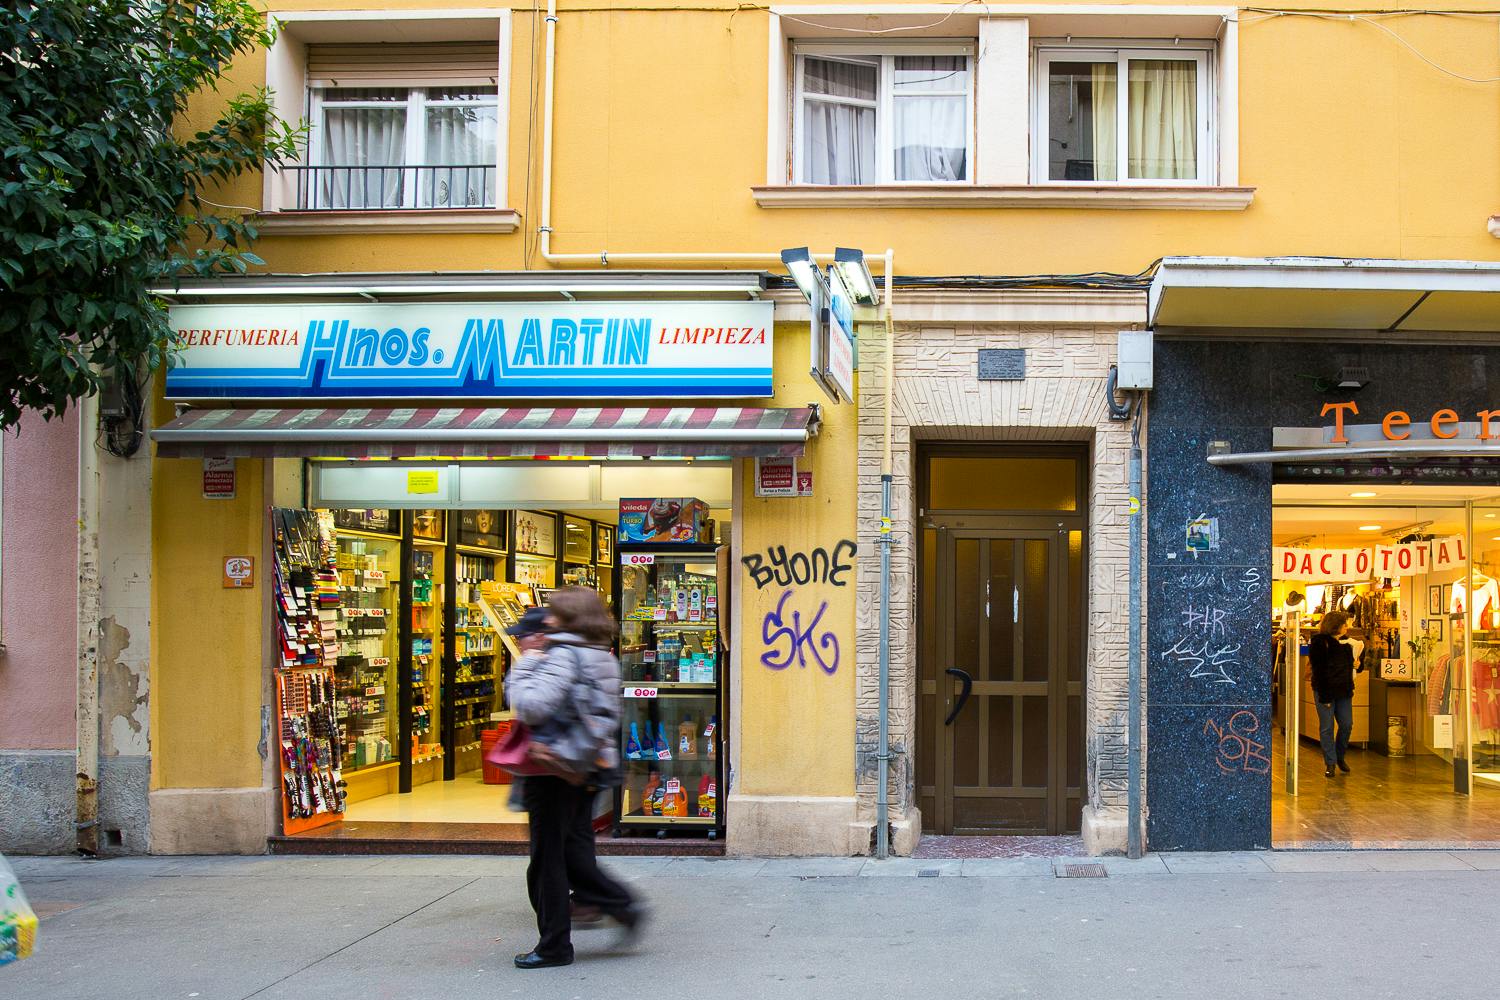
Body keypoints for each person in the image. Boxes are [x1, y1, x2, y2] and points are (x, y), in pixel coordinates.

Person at [505, 586, 642, 969]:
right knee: (573, 848)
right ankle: (619, 905)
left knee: (548, 858)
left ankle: (554, 945)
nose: (547, 619)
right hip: (587, 765)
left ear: (566, 617)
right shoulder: (603, 654)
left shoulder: (562, 655)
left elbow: (532, 706)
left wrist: (525, 665)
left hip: (554, 766)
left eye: (553, 612)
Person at [1308, 610, 1360, 778]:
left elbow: (1353, 667)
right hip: (1325, 691)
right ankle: (1330, 762)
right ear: (1335, 626)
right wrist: (1325, 696)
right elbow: (1319, 671)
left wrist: (1358, 665)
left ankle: (1339, 756)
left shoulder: (1347, 644)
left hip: (1344, 690)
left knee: (1347, 724)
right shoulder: (1320, 643)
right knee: (1327, 727)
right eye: (1344, 624)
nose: (1347, 627)